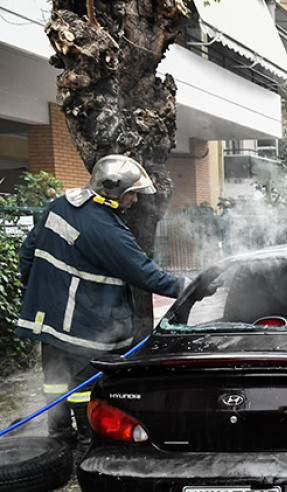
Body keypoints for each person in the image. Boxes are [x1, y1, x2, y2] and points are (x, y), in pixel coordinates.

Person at [17, 154, 188, 455]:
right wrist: (187, 288)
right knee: (84, 387)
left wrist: (36, 291)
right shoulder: (104, 227)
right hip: (82, 324)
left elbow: (28, 253)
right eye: (131, 193)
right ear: (113, 190)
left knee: (55, 381)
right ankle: (87, 443)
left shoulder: (60, 206)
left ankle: (59, 437)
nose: (134, 200)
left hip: (50, 319)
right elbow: (142, 272)